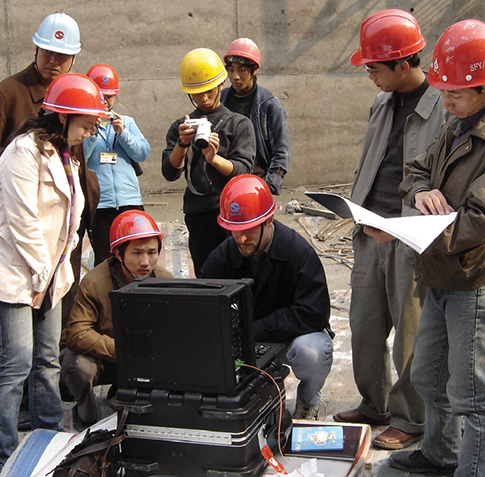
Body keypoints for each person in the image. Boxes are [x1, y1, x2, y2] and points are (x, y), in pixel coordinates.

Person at [333, 9, 446, 450]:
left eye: (374, 67)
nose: (369, 76)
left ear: (403, 64)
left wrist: (409, 227)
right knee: (364, 325)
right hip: (369, 230)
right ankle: (373, 402)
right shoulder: (381, 103)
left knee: (410, 332)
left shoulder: (443, 107)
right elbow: (371, 162)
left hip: (411, 237)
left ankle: (410, 416)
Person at [389, 19, 485, 477]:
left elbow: (479, 220)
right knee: (428, 375)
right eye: (443, 90)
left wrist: (423, 229)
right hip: (439, 275)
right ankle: (440, 455)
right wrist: (422, 192)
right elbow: (414, 169)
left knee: (472, 395)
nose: (445, 101)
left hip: (472, 282)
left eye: (456, 93)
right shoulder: (455, 125)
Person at [0, 72, 107, 469]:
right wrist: (42, 272)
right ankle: (5, 448)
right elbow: (21, 220)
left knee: (47, 360)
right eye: (87, 122)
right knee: (16, 364)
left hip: (51, 277)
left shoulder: (67, 153)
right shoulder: (22, 152)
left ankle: (48, 435)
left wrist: (56, 274)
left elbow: (73, 214)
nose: (91, 129)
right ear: (63, 116)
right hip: (18, 274)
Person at [200, 174, 333, 419]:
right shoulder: (222, 258)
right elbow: (204, 307)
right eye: (234, 230)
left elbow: (314, 314)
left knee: (312, 351)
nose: (241, 238)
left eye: (248, 229)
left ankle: (308, 401)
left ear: (268, 220)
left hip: (287, 339)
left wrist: (254, 329)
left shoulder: (298, 253)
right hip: (244, 342)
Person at [61, 210, 172, 430]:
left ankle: (124, 395)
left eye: (152, 252)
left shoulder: (164, 280)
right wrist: (122, 349)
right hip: (103, 357)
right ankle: (85, 412)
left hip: (139, 359)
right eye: (136, 253)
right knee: (80, 367)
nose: (145, 262)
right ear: (118, 254)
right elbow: (76, 334)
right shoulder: (94, 283)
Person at [162, 48, 255, 276]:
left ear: (221, 85)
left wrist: (213, 159)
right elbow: (169, 173)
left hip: (233, 213)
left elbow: (243, 171)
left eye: (208, 91)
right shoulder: (182, 126)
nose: (203, 99)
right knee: (206, 276)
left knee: (240, 274)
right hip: (199, 213)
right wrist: (182, 145)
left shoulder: (239, 124)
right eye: (196, 93)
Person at [85, 64, 150, 265]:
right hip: (100, 204)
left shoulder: (127, 122)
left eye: (110, 96)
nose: (106, 100)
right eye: (101, 95)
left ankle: (135, 294)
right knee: (105, 260)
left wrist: (123, 133)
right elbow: (80, 157)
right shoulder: (83, 124)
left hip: (129, 199)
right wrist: (93, 132)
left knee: (138, 252)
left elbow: (142, 152)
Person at [0, 12, 80, 150]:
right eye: (47, 51)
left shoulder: (74, 97)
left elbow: (77, 155)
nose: (53, 61)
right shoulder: (8, 93)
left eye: (62, 54)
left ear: (73, 59)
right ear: (35, 50)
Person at [222, 38, 290, 195]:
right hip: (224, 185)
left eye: (241, 70)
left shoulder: (269, 106)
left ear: (253, 70)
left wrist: (267, 187)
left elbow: (281, 152)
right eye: (231, 70)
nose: (235, 76)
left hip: (256, 184)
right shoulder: (220, 100)